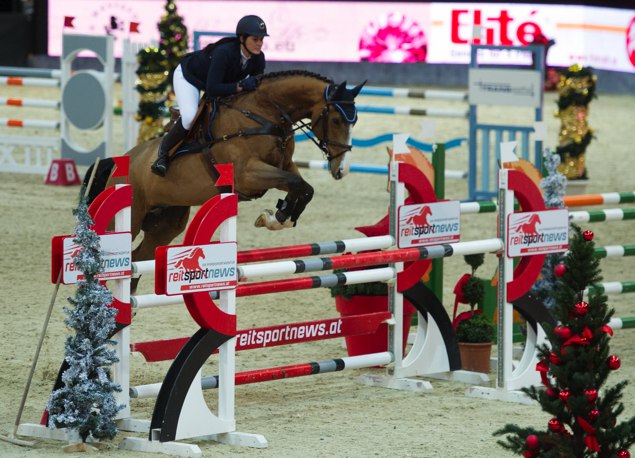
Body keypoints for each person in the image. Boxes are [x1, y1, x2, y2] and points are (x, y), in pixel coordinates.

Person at [151, 14, 268, 176]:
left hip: (216, 82)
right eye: (255, 39)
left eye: (262, 40)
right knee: (190, 116)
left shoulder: (258, 58)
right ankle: (163, 154)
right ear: (242, 38)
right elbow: (212, 89)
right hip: (189, 77)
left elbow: (255, 85)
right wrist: (239, 86)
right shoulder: (224, 53)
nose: (259, 44)